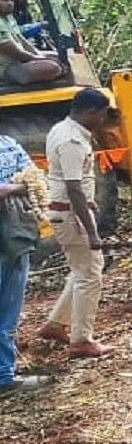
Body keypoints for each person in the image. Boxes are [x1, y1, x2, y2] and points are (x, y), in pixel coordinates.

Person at [36, 88, 114, 357]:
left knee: (82, 270)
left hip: (68, 211)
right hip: (71, 214)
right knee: (90, 275)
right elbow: (74, 188)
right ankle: (81, 340)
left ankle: (55, 324)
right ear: (90, 112)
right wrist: (92, 231)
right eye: (102, 115)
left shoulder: (61, 128)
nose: (103, 121)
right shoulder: (71, 141)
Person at [0, 132, 44, 395]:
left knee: (8, 311)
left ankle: (4, 374)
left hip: (13, 237)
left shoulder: (8, 143)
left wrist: (9, 189)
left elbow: (33, 178)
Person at [0, 0, 68, 85]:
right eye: (5, 0)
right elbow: (15, 52)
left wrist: (38, 53)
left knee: (61, 56)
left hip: (20, 62)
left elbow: (23, 41)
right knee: (52, 67)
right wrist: (37, 58)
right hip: (7, 68)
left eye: (12, 0)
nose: (10, 3)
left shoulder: (9, 18)